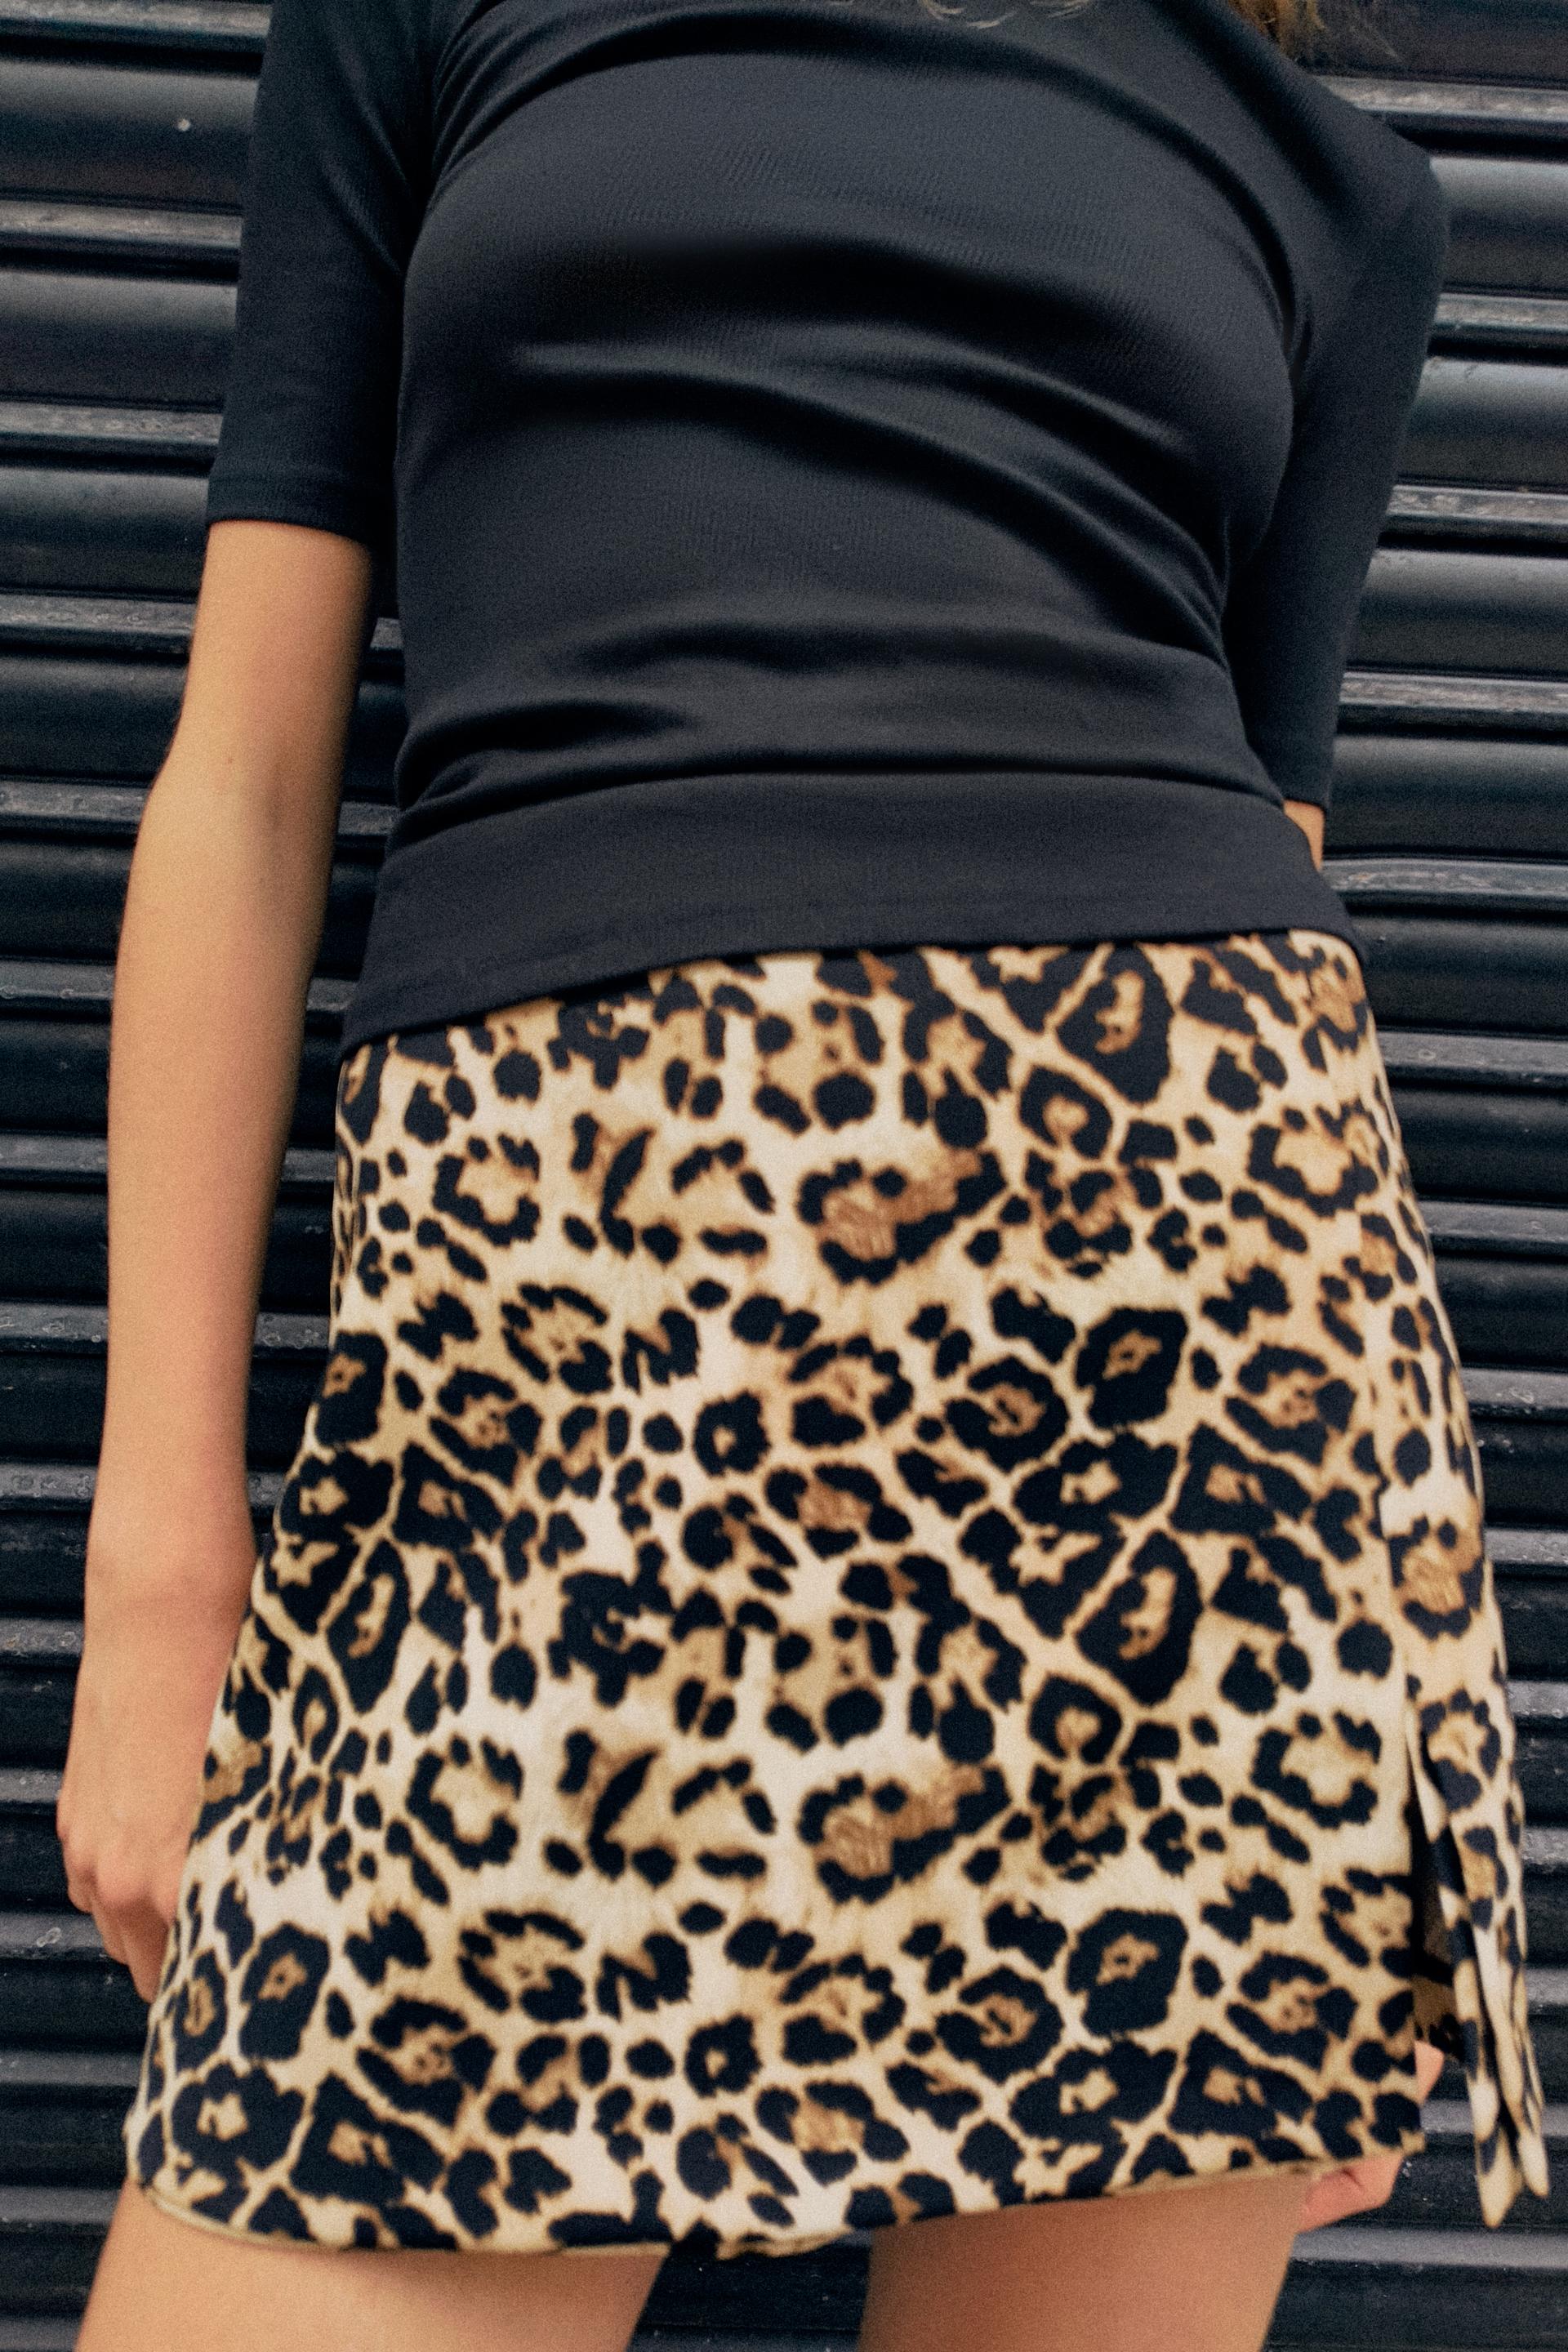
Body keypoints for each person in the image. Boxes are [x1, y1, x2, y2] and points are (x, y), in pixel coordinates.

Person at [58, 0, 1548, 2341]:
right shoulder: (436, 16)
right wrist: (158, 1570)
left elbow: (1278, 850)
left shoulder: (1334, 182)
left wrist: (1331, 1828)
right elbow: (241, 789)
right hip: (566, 1373)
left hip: (1178, 1377)